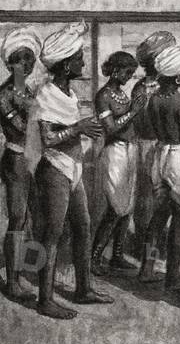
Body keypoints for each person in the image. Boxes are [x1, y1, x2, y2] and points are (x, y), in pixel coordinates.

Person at [32, 22, 110, 319]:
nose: (82, 62)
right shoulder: (46, 94)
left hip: (73, 167)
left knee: (83, 227)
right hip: (54, 169)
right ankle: (45, 299)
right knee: (51, 233)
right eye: (78, 58)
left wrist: (81, 129)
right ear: (65, 65)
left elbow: (68, 129)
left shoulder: (69, 92)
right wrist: (79, 127)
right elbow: (47, 138)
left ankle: (83, 289)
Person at [138, 41, 180, 293]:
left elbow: (156, 127)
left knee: (159, 215)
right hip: (177, 157)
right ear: (177, 77)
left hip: (160, 155)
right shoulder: (179, 100)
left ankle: (147, 268)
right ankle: (172, 277)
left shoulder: (154, 99)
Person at [91, 51, 148, 274]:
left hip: (131, 150)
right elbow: (111, 128)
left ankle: (117, 255)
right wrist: (134, 112)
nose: (129, 77)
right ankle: (94, 258)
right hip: (114, 152)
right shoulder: (103, 96)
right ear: (115, 70)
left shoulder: (122, 95)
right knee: (116, 206)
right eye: (127, 72)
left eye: (132, 73)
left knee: (128, 207)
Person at [0, 27, 41, 302]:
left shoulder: (27, 90)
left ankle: (26, 269)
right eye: (19, 59)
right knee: (17, 218)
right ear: (9, 62)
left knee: (28, 217)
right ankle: (12, 281)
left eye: (29, 60)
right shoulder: (5, 94)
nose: (25, 65)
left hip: (33, 159)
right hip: (16, 158)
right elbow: (20, 128)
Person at [131, 30, 177, 262]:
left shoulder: (163, 86)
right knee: (147, 201)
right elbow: (139, 119)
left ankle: (162, 246)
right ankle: (146, 250)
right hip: (148, 147)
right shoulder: (143, 88)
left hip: (162, 146)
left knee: (164, 199)